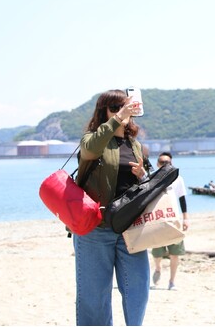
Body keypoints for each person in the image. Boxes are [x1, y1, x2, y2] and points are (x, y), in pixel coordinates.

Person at [74, 89, 149, 326]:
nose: (121, 112)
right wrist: (118, 118)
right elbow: (90, 150)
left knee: (138, 289)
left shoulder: (135, 145)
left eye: (125, 107)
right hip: (96, 229)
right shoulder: (92, 139)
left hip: (131, 228)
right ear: (103, 112)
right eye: (115, 108)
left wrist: (143, 175)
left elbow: (145, 185)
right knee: (94, 296)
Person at [151, 151, 190, 290]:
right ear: (157, 164)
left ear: (171, 163)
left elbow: (182, 199)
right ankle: (158, 268)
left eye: (167, 162)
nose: (164, 165)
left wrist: (186, 218)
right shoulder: (152, 178)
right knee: (157, 252)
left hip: (174, 220)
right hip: (157, 219)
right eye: (162, 162)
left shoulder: (178, 178)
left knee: (175, 253)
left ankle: (172, 281)